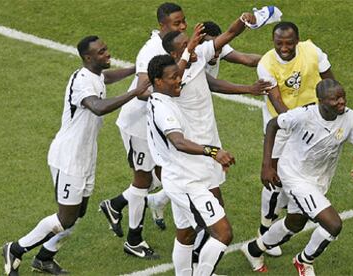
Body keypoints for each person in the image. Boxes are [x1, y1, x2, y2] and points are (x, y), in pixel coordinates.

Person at [1, 35, 148, 276]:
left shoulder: (95, 74)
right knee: (65, 217)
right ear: (88, 58)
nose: (107, 53)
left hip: (85, 156)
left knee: (77, 214)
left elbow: (106, 77)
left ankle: (45, 258)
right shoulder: (81, 81)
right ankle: (15, 249)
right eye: (102, 52)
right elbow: (98, 106)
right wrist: (135, 92)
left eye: (106, 49)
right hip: (68, 158)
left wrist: (136, 69)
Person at [160, 6, 280, 273]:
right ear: (171, 55)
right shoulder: (170, 80)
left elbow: (226, 37)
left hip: (207, 153)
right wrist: (189, 49)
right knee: (219, 229)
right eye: (184, 44)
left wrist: (243, 21)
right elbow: (180, 74)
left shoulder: (196, 57)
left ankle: (190, 269)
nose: (192, 45)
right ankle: (203, 270)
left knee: (188, 231)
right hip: (193, 160)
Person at [241, 79, 353, 275]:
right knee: (333, 224)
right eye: (334, 99)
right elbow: (272, 125)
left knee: (295, 223)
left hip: (319, 180)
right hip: (294, 176)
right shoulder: (303, 115)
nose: (341, 102)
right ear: (320, 100)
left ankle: (253, 249)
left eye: (342, 96)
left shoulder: (352, 118)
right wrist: (267, 165)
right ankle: (304, 261)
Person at [98, 2, 190, 258]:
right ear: (162, 25)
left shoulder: (176, 44)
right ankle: (134, 239)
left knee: (165, 174)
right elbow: (140, 91)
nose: (183, 26)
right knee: (144, 180)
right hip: (138, 125)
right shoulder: (151, 50)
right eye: (176, 23)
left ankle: (115, 205)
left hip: (156, 124)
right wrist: (167, 92)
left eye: (183, 21)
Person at [146, 54, 235, 276]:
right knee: (223, 233)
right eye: (173, 77)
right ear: (158, 82)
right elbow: (178, 142)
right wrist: (213, 152)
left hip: (180, 176)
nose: (179, 80)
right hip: (186, 182)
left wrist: (189, 50)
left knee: (185, 234)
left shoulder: (162, 98)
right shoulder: (163, 108)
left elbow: (179, 72)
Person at [255, 21, 335, 256]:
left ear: (297, 41)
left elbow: (330, 81)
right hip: (282, 125)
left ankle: (292, 212)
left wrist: (332, 109)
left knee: (302, 170)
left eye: (289, 43)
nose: (284, 47)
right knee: (275, 178)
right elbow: (277, 100)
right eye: (279, 43)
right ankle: (264, 228)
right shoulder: (266, 64)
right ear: (273, 42)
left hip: (311, 122)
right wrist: (297, 122)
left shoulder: (312, 50)